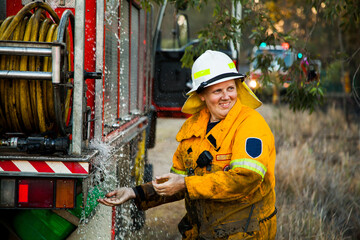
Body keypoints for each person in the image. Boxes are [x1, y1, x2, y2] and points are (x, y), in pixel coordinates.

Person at [98, 50, 277, 239]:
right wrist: (135, 193)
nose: (226, 97)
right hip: (205, 232)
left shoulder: (250, 124)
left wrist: (185, 183)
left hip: (246, 233)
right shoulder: (193, 129)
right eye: (217, 91)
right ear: (201, 95)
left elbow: (246, 179)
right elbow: (177, 182)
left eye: (230, 88)